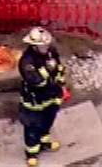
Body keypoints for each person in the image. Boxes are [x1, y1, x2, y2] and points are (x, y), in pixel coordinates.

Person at [17, 27, 67, 166]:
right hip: (34, 100)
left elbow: (59, 68)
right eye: (42, 46)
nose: (46, 47)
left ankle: (44, 142)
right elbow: (37, 82)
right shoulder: (27, 62)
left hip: (51, 96)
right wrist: (52, 82)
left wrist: (62, 86)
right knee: (32, 126)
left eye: (46, 44)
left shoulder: (51, 52)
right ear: (34, 46)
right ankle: (31, 153)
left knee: (47, 120)